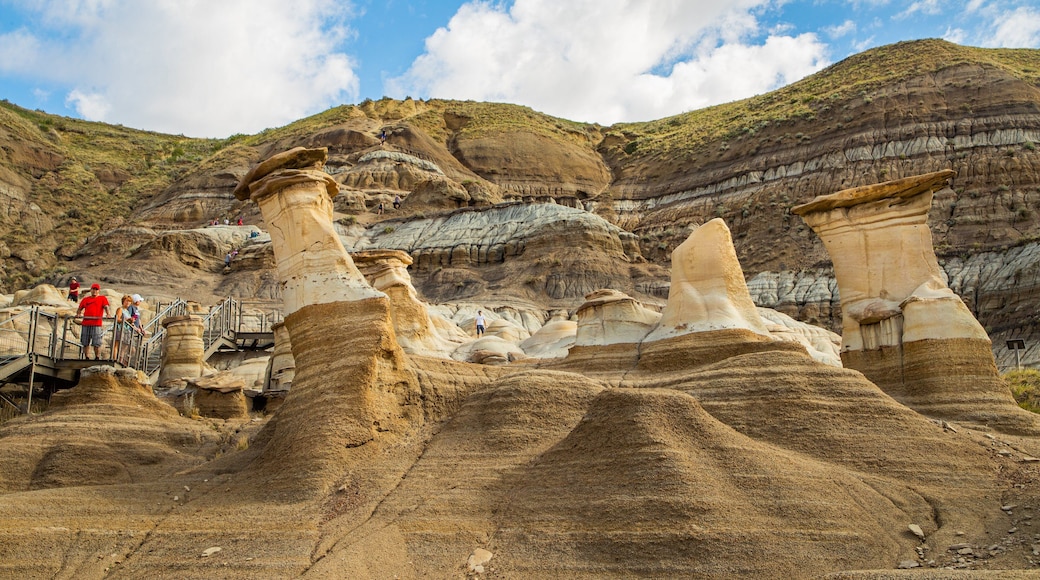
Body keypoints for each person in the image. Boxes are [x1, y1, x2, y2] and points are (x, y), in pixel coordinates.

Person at [76, 283, 110, 360]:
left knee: (96, 343)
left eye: (96, 289)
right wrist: (78, 313)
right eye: (93, 289)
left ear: (98, 291)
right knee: (85, 342)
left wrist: (108, 314)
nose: (94, 291)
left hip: (96, 324)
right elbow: (80, 308)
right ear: (91, 290)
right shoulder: (86, 299)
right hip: (86, 323)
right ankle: (87, 357)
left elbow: (106, 306)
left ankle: (97, 357)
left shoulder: (102, 298)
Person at [114, 295, 138, 365]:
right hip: (120, 328)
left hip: (126, 330)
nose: (128, 303)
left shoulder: (127, 311)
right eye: (126, 301)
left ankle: (121, 360)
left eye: (129, 301)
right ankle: (114, 359)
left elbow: (130, 322)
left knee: (124, 346)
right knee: (117, 344)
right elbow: (117, 319)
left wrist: (135, 326)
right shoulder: (120, 309)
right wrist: (127, 320)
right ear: (123, 301)